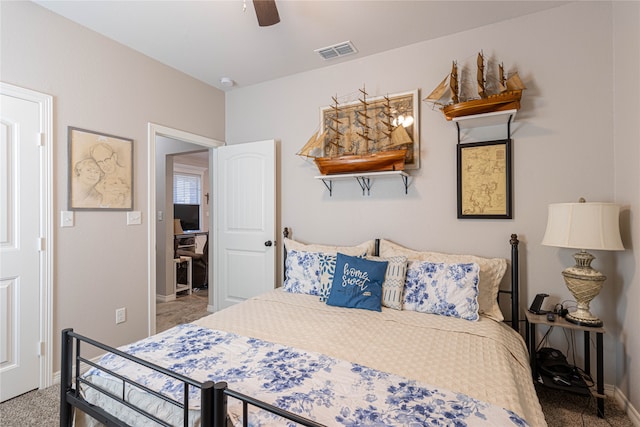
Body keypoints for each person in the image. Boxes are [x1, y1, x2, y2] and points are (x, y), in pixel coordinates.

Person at [90, 142, 131, 208]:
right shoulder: (99, 184)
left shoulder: (127, 174)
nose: (105, 165)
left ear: (114, 157)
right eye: (100, 162)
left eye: (107, 159)